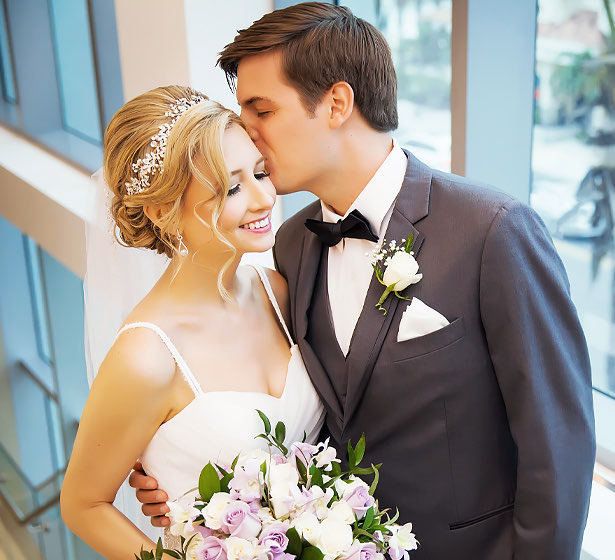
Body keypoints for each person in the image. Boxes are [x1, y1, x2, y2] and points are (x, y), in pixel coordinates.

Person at [131, 4, 596, 559]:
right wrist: (179, 477)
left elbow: (558, 449)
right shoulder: (292, 243)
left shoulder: (492, 231)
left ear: (336, 103)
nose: (245, 136)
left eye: (261, 111)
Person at [60, 85, 325, 560]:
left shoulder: (278, 291)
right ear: (163, 210)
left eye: (261, 173)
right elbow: (83, 504)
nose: (265, 199)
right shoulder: (146, 357)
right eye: (232, 187)